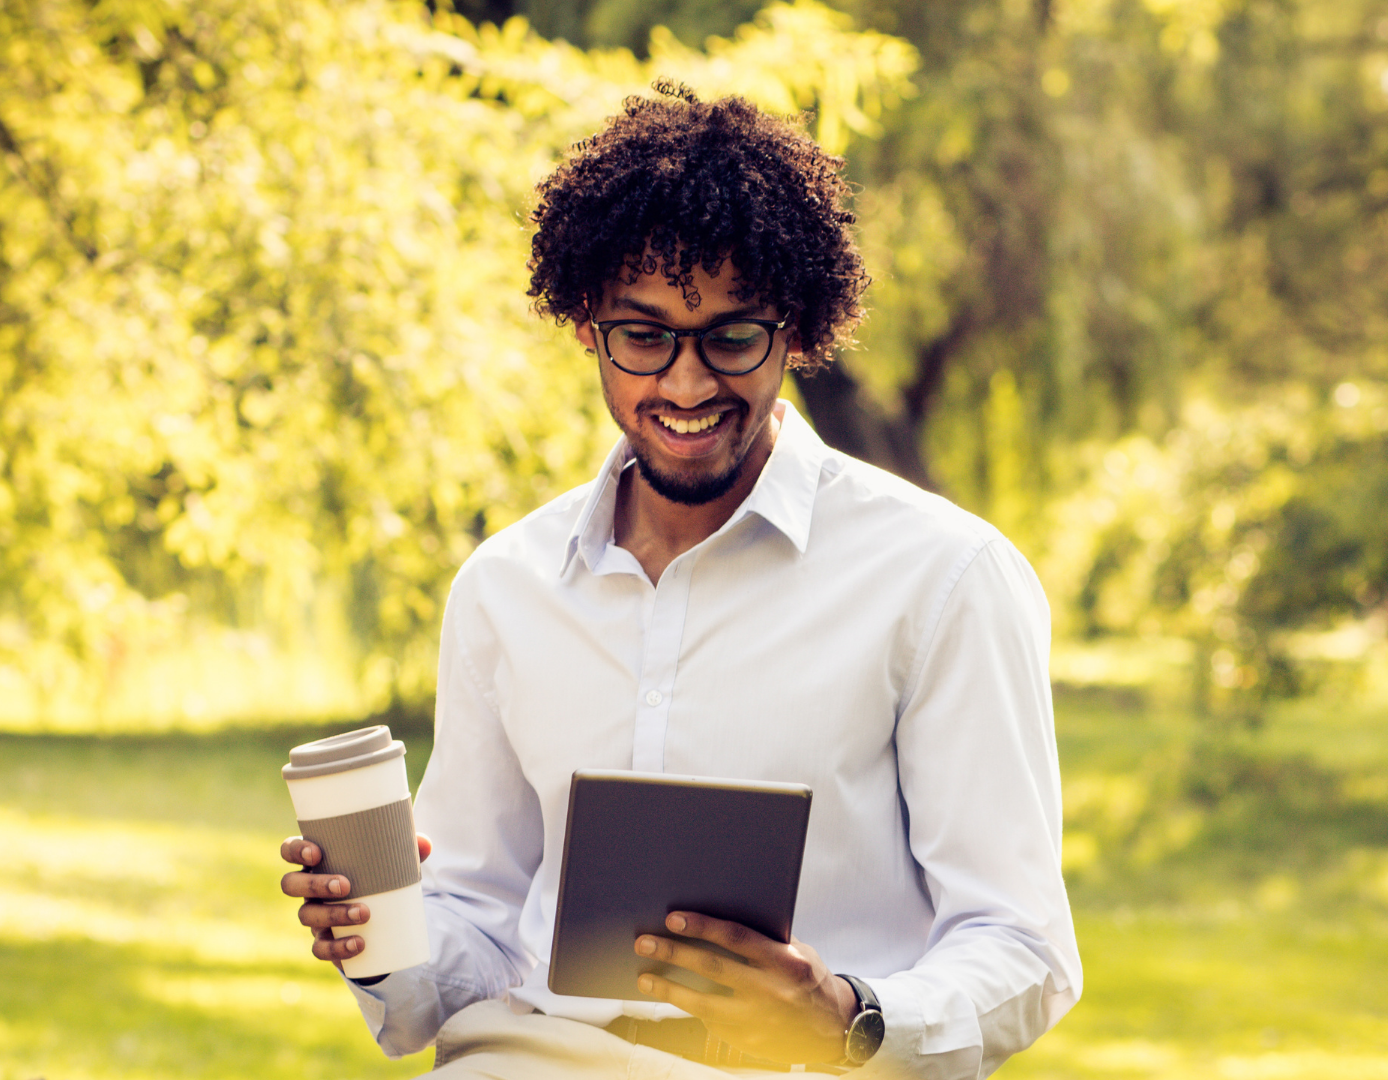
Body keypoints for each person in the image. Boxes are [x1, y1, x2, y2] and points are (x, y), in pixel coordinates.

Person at [279, 82, 1081, 1079]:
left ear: (797, 328)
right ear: (588, 326)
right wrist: (380, 931)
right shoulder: (506, 587)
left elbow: (1024, 947)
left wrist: (847, 1015)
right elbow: (475, 930)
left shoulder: (944, 577)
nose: (687, 384)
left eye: (732, 338)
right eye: (645, 336)